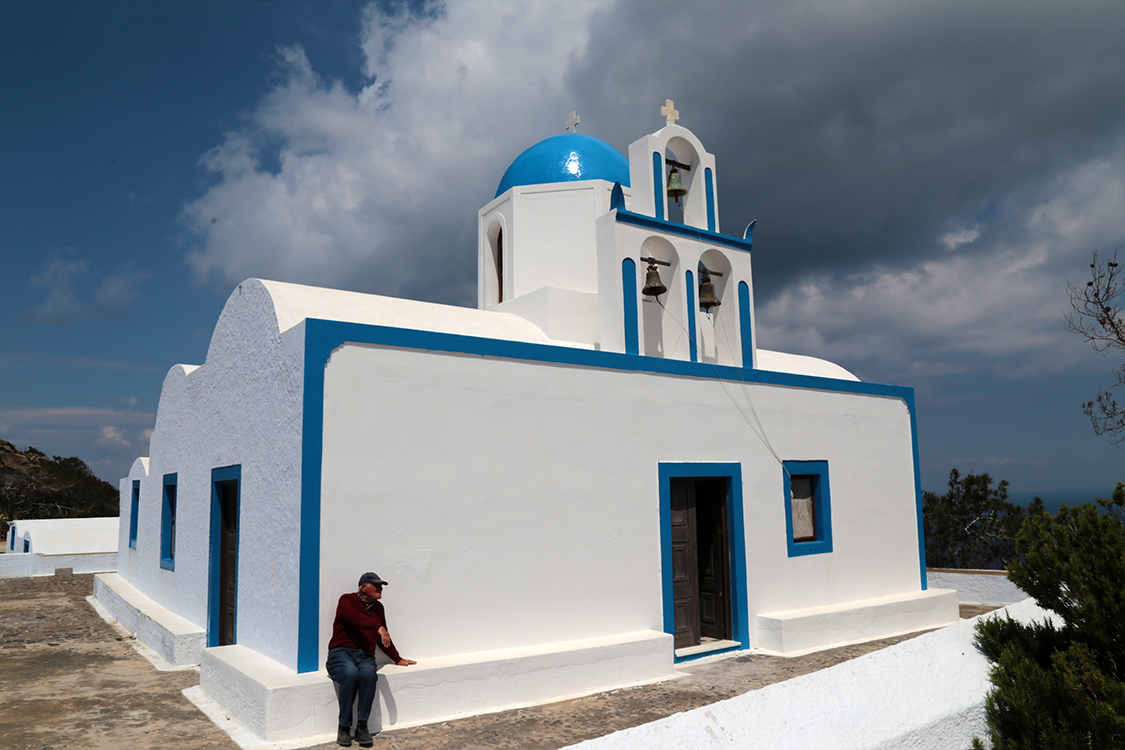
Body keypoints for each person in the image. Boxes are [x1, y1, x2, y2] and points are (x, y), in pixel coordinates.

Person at [326, 572, 416, 747]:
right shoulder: (347, 600)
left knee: (368, 675)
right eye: (377, 586)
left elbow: (383, 637)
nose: (381, 589)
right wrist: (378, 626)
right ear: (364, 588)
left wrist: (397, 658)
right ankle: (344, 727)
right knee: (350, 675)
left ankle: (362, 726)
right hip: (341, 653)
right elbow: (353, 617)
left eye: (381, 586)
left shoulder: (378, 608)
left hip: (365, 655)